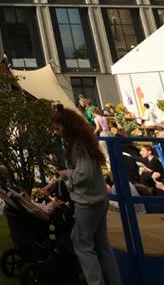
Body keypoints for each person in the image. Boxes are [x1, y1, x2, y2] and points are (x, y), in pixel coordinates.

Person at [51, 107, 121, 285]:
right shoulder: (84, 142)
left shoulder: (78, 146)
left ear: (68, 126)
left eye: (58, 129)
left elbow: (83, 175)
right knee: (102, 245)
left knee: (82, 245)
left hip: (87, 202)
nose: (57, 133)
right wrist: (62, 181)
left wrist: (67, 175)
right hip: (98, 199)